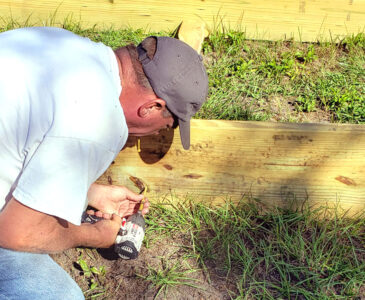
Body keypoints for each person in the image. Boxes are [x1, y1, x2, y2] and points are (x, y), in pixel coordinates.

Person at [0, 26, 208, 299]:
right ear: (151, 108)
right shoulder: (100, 122)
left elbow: (25, 140)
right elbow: (15, 233)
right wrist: (92, 235)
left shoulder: (60, 42)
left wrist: (90, 192)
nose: (158, 134)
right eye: (166, 126)